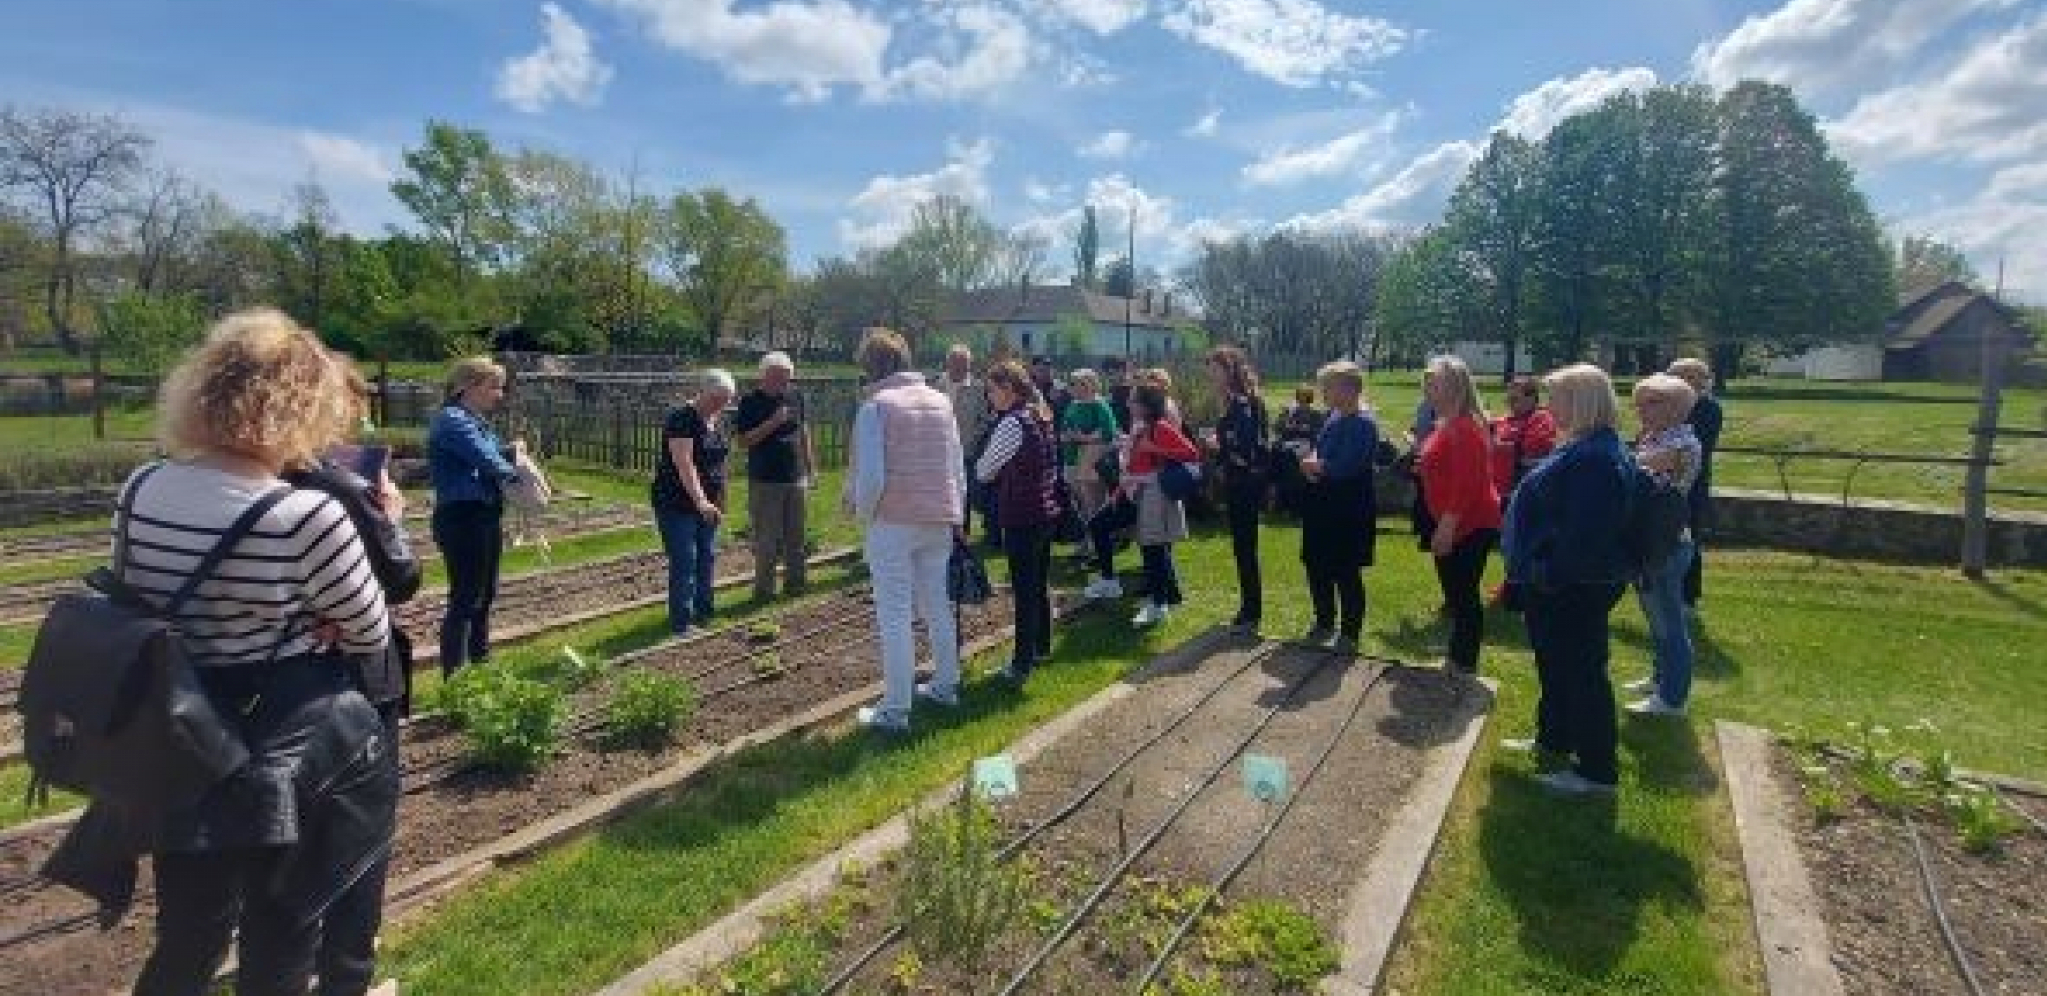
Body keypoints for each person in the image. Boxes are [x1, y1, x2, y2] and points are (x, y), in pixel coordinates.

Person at [112, 310, 394, 996]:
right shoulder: (301, 514)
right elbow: (368, 631)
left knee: (188, 929)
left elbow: (136, 599)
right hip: (281, 733)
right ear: (300, 407)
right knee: (283, 925)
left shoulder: (142, 487)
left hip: (180, 733)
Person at [284, 358, 418, 996]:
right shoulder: (333, 488)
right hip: (350, 691)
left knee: (282, 856)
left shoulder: (180, 482)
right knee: (355, 840)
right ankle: (346, 978)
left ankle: (290, 971)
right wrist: (389, 514)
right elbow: (398, 583)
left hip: (258, 699)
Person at [1501, 363, 1634, 795]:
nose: (1548, 405)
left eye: (1556, 397)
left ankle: (1597, 770)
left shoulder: (1595, 457)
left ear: (1581, 402)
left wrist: (1545, 574)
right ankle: (1554, 737)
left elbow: (1585, 535)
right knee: (1555, 664)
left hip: (1574, 584)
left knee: (1581, 671)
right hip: (1560, 581)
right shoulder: (1583, 445)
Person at [846, 330, 965, 733]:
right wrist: (958, 513)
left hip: (894, 520)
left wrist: (864, 514)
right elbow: (956, 466)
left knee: (894, 614)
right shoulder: (940, 402)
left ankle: (896, 709)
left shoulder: (875, 407)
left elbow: (872, 477)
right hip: (939, 516)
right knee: (936, 604)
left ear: (870, 367)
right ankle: (947, 686)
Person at [428, 356, 518, 676]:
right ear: (470, 387)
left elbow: (495, 453)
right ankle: (456, 676)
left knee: (485, 592)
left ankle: (480, 663)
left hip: (484, 514)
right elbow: (486, 459)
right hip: (463, 517)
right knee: (466, 596)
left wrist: (511, 453)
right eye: (494, 386)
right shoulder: (452, 420)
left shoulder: (475, 420)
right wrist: (517, 474)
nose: (499, 394)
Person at [977, 360, 1062, 681]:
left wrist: (996, 470)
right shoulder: (1040, 415)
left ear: (1008, 389)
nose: (989, 396)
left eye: (992, 390)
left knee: (1025, 591)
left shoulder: (1012, 423)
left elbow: (984, 470)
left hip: (1022, 513)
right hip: (1044, 510)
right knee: (1038, 585)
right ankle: (1040, 647)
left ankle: (1020, 664)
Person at [1625, 373, 1703, 717]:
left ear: (1677, 407)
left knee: (1669, 624)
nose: (1642, 410)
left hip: (1667, 542)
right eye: (1639, 403)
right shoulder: (1653, 436)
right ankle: (1661, 678)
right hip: (1650, 539)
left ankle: (1672, 699)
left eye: (1652, 402)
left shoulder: (1682, 442)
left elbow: (1632, 467)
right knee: (1655, 618)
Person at [1419, 356, 1503, 677]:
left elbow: (1469, 482)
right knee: (1456, 594)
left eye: (1434, 383)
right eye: (1427, 382)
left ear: (1455, 387)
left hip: (1469, 523)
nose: (1428, 389)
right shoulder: (1447, 424)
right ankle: (1457, 658)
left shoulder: (1466, 427)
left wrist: (1447, 526)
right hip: (1453, 520)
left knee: (1463, 595)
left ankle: (1463, 663)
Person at [1298, 361, 1380, 656]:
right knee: (1316, 563)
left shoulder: (1363, 423)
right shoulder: (1333, 417)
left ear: (1349, 389)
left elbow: (1348, 466)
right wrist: (1311, 463)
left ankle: (1349, 632)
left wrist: (1316, 465)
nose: (1324, 392)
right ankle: (1323, 622)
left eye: (1329, 386)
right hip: (1322, 503)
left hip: (1349, 507)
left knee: (1345, 570)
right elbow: (1321, 447)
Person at [652, 369, 736, 637]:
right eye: (717, 399)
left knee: (706, 557)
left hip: (709, 503)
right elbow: (684, 463)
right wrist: (699, 500)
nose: (722, 405)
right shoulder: (682, 419)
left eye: (727, 399)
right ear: (702, 392)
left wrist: (720, 498)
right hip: (677, 502)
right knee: (685, 560)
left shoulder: (716, 419)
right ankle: (681, 623)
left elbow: (719, 461)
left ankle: (705, 611)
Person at [735, 352, 816, 600]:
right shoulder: (750, 402)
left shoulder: (796, 396)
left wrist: (810, 467)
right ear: (765, 376)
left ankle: (796, 584)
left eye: (788, 379)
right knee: (767, 539)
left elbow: (803, 431)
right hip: (765, 480)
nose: (785, 384)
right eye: (781, 379)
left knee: (796, 536)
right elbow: (743, 441)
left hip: (796, 477)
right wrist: (772, 422)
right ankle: (764, 591)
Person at [1120, 382, 1199, 627]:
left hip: (1157, 492)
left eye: (1133, 400)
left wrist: (1154, 447)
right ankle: (1162, 600)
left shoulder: (1160, 427)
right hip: (1143, 490)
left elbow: (1191, 453)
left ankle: (1158, 604)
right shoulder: (1140, 427)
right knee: (1151, 547)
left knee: (1154, 546)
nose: (1128, 404)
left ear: (1145, 405)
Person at [1204, 346, 1269, 634]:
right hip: (1238, 481)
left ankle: (1251, 612)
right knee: (1242, 548)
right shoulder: (1236, 402)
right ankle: (1249, 608)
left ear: (1230, 370)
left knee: (1245, 547)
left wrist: (1220, 447)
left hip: (1245, 484)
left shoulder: (1242, 404)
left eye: (1215, 368)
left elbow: (1248, 448)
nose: (1210, 374)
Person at [1668, 358, 1722, 611]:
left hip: (1693, 482)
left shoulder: (1708, 408)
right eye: (1682, 376)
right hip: (1667, 481)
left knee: (1689, 536)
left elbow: (1694, 447)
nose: (1690, 381)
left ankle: (1688, 596)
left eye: (1694, 377)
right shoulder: (1669, 406)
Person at [937, 344, 994, 544]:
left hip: (966, 450)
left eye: (965, 364)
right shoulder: (936, 386)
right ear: (948, 363)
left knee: (964, 492)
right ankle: (941, 531)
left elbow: (986, 419)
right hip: (939, 450)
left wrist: (973, 438)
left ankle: (963, 533)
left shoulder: (978, 388)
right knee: (941, 490)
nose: (961, 368)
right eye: (957, 363)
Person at [1059, 368, 1118, 555]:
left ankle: (1097, 542)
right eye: (1072, 383)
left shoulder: (1099, 405)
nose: (1072, 387)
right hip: (1071, 458)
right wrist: (1066, 436)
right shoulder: (1073, 405)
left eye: (1076, 383)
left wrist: (1082, 437)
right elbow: (1065, 427)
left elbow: (1108, 432)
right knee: (1077, 503)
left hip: (1092, 460)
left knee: (1093, 502)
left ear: (1089, 385)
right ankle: (1083, 539)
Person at [1489, 375, 1558, 498]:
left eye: (1514, 399)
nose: (1510, 404)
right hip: (1498, 491)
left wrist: (1500, 446)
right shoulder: (1502, 421)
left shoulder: (1541, 418)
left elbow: (1535, 448)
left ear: (1531, 398)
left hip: (1520, 491)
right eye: (1508, 400)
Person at [1272, 384, 1325, 516]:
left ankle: (1296, 505)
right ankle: (1282, 502)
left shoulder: (1316, 415)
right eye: (1300, 398)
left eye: (1305, 399)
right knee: (1281, 458)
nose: (1302, 402)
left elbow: (1318, 435)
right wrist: (1285, 419)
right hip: (1289, 448)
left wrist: (1302, 431)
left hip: (1308, 449)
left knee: (1294, 464)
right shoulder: (1290, 413)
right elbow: (1278, 429)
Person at [1030, 354, 1073, 426]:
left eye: (1048, 369)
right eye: (1041, 370)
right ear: (1033, 370)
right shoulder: (1028, 387)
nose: (1046, 373)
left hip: (1056, 427)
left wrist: (1056, 402)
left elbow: (1067, 410)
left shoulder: (1060, 388)